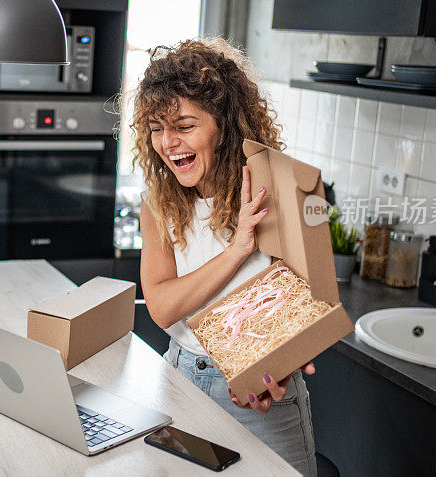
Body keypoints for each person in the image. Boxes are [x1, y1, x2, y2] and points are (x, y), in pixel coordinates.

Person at [130, 38, 317, 475]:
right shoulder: (158, 201)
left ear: (225, 125)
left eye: (184, 125)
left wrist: (281, 366)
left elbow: (306, 304)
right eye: (157, 128)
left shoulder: (281, 190)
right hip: (178, 378)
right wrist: (238, 249)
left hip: (254, 388)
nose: (169, 143)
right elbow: (161, 306)